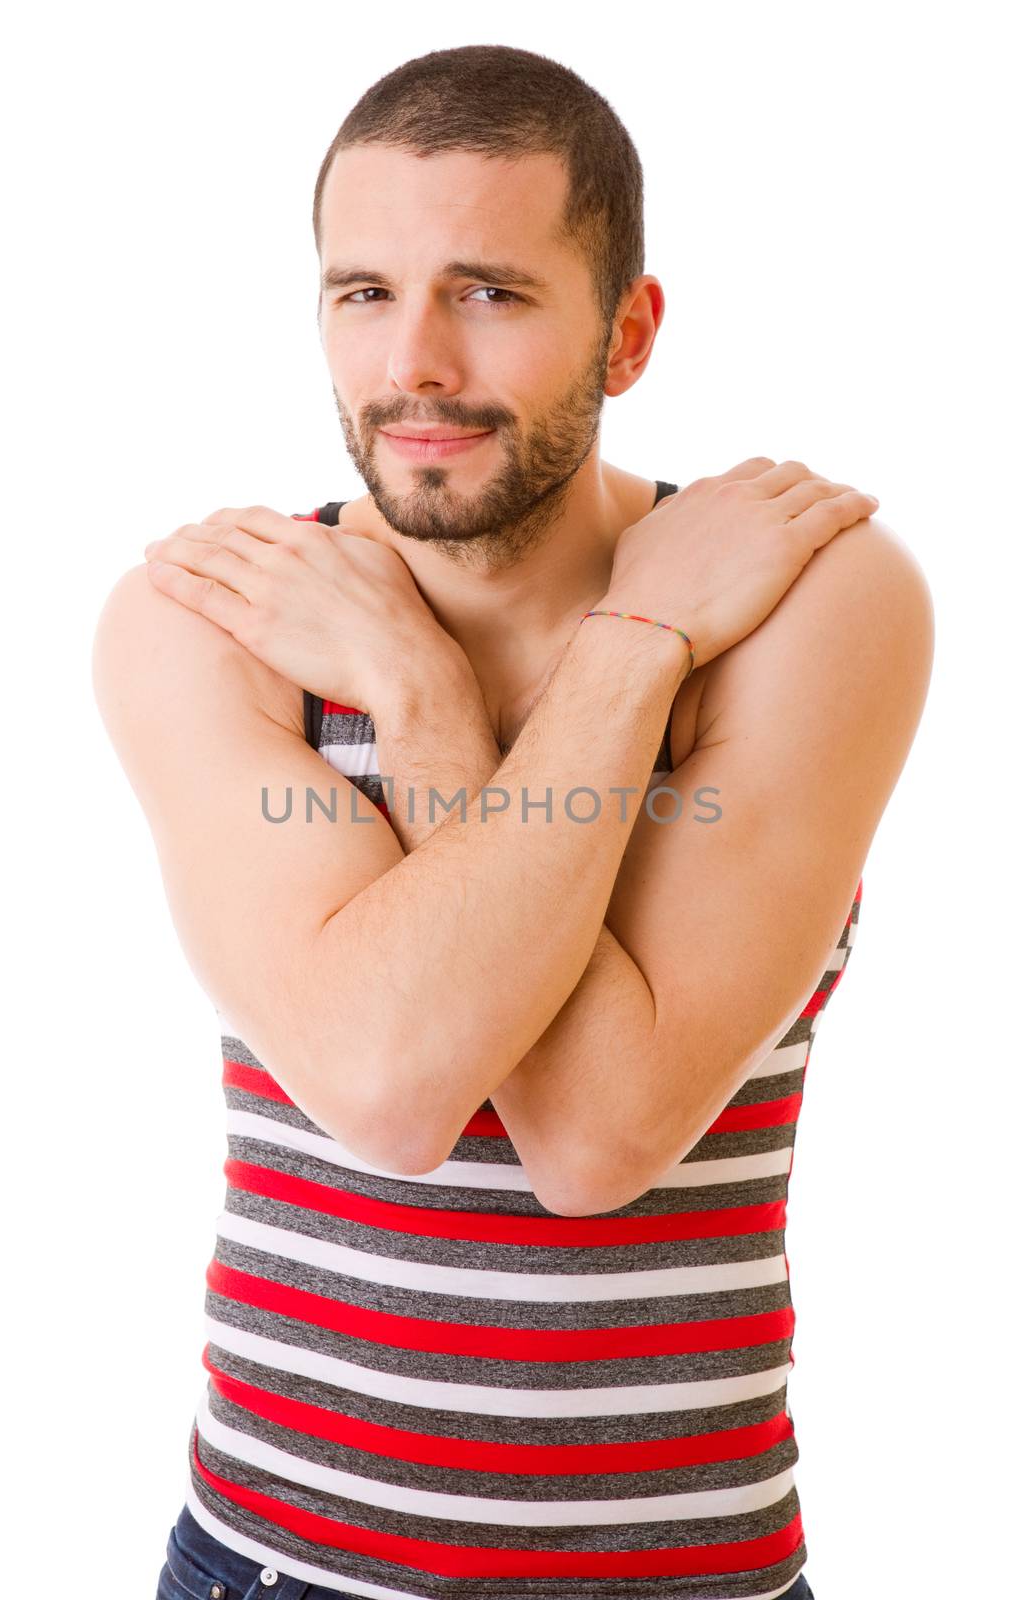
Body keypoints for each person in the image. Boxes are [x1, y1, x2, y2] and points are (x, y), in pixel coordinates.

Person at [92, 43, 934, 1600]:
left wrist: (578, 658)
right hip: (277, 1567)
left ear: (627, 335)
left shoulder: (808, 603)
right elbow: (391, 1084)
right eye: (363, 292)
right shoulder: (217, 619)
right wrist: (429, 680)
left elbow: (598, 1133)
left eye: (488, 291)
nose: (414, 361)